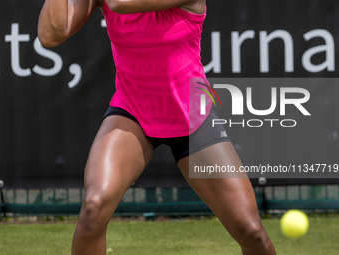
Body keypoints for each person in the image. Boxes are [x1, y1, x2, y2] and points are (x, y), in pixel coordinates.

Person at [38, 0, 276, 254]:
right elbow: (51, 35)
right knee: (94, 206)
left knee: (252, 232)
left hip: (191, 115)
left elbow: (121, 3)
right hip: (132, 110)